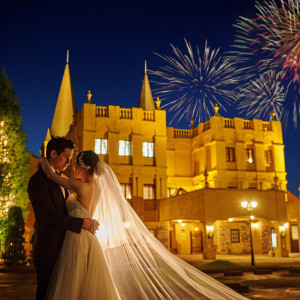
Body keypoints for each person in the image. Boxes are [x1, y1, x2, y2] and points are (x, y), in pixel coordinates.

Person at [40, 149, 248, 300]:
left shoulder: (79, 185)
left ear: (83, 167)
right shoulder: (98, 188)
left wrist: (44, 158)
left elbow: (50, 175)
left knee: (73, 279)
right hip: (89, 238)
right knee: (87, 279)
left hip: (77, 238)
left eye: (75, 163)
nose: (72, 167)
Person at [27, 137, 98, 300]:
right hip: (50, 249)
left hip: (69, 248)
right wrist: (82, 223)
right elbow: (47, 216)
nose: (69, 162)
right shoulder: (38, 181)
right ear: (53, 154)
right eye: (66, 157)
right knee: (47, 293)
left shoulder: (62, 180)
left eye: (72, 159)